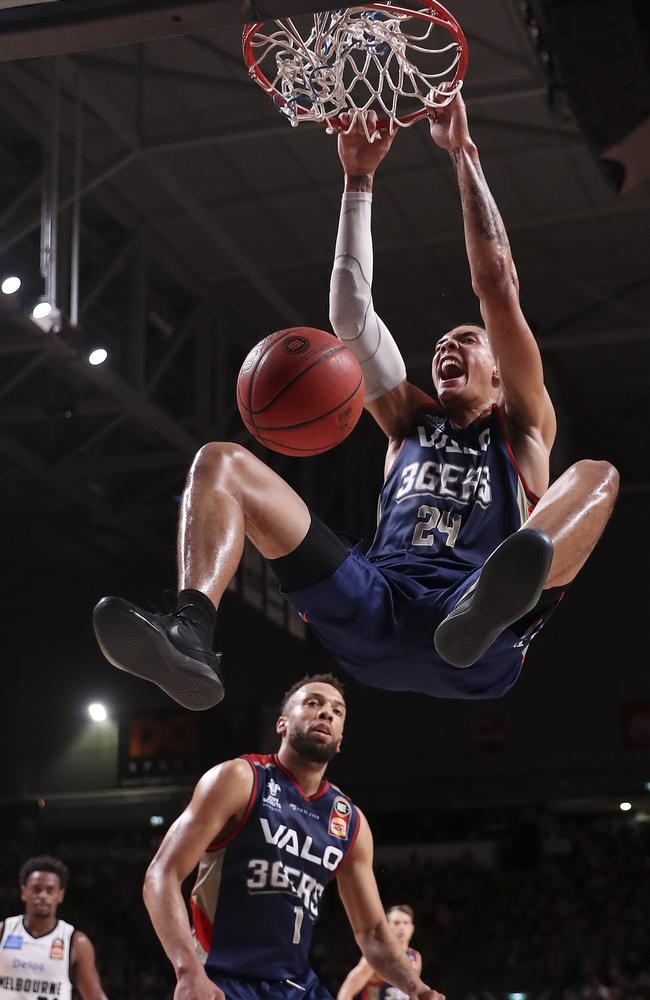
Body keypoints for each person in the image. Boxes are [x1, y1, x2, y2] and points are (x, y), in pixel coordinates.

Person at [93, 93, 619, 711]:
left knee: (596, 475)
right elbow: (349, 317)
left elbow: (498, 286)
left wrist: (462, 155)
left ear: (503, 375)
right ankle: (189, 634)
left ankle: (498, 595)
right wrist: (358, 180)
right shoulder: (407, 420)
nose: (448, 345)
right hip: (378, 605)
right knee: (219, 462)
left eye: (468, 341)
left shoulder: (524, 428)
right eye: (442, 343)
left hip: (473, 635)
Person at [142, 674, 445, 1000]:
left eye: (337, 711)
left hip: (297, 987)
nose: (327, 713)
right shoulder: (240, 778)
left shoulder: (349, 820)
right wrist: (188, 971)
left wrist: (417, 988)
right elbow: (162, 873)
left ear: (340, 740)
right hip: (221, 977)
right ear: (282, 724)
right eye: (313, 703)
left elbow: (371, 931)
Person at [0, 855, 109, 1000]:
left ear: (60, 895)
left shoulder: (75, 941)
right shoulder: (3, 931)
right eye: (36, 889)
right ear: (24, 892)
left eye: (50, 890)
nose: (43, 895)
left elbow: (95, 996)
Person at [337, 905, 421, 1000]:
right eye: (396, 923)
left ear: (412, 928)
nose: (402, 927)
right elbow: (346, 992)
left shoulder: (415, 956)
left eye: (406, 923)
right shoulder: (377, 956)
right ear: (387, 927)